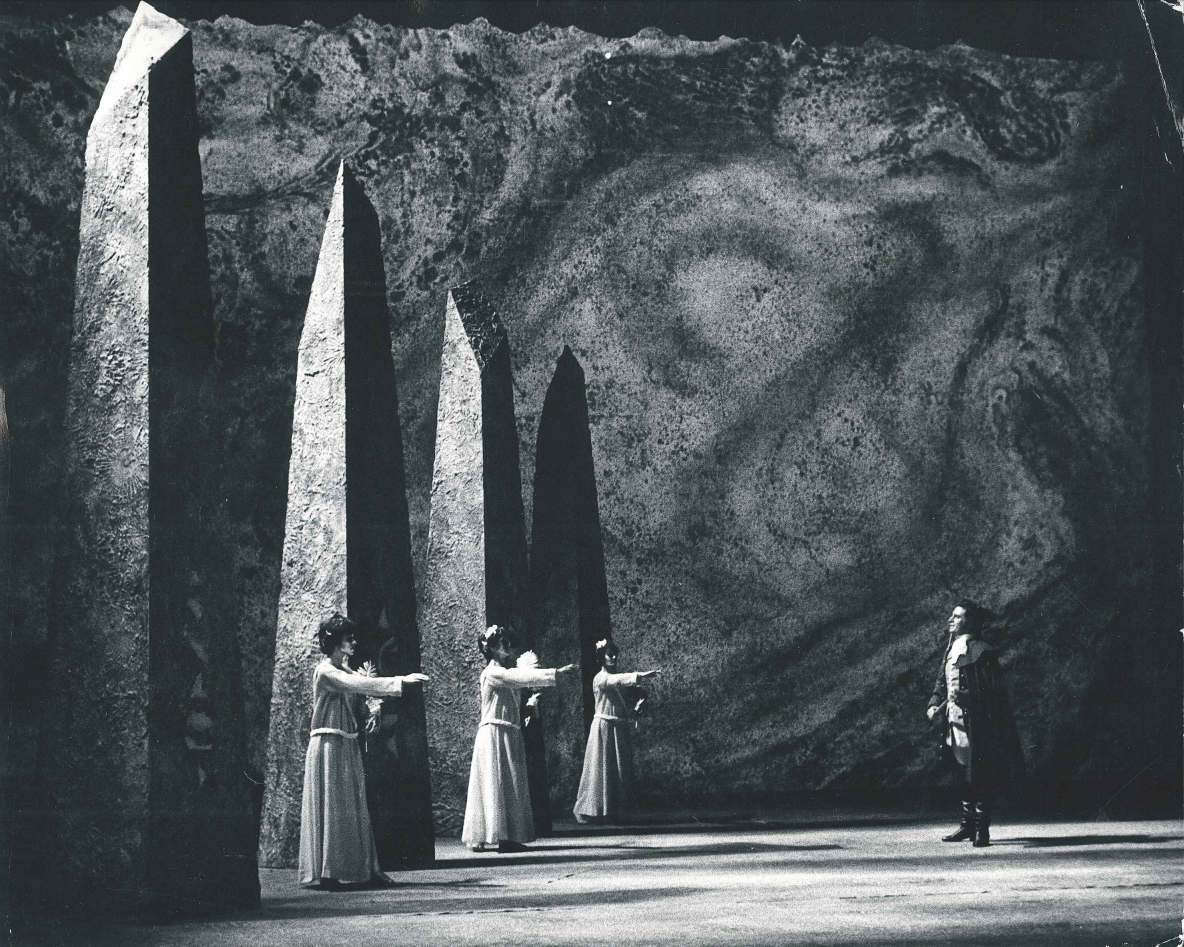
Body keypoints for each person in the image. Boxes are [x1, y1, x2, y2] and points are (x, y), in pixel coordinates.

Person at [298, 613, 428, 888]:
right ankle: (329, 871)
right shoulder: (326, 671)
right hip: (329, 743)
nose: (353, 643)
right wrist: (401, 682)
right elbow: (359, 685)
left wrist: (369, 712)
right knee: (333, 804)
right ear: (334, 642)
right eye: (348, 639)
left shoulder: (344, 671)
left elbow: (356, 696)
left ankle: (358, 868)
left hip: (345, 742)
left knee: (351, 803)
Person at [462, 625, 577, 852]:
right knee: (495, 783)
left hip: (508, 732)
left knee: (509, 782)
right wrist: (555, 673)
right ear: (492, 649)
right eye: (503, 644)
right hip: (495, 733)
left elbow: (515, 689)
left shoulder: (505, 674)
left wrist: (529, 705)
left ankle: (508, 836)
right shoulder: (493, 673)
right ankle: (496, 836)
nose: (509, 648)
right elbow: (516, 677)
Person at [926, 600, 1024, 847]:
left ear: (969, 621)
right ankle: (967, 825)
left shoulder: (982, 650)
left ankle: (982, 829)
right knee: (963, 773)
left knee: (980, 773)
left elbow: (993, 691)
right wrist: (933, 703)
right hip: (954, 723)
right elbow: (942, 681)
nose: (951, 620)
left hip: (978, 724)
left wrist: (968, 697)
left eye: (956, 617)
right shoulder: (952, 648)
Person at [573, 638, 661, 824]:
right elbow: (614, 680)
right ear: (601, 658)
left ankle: (614, 808)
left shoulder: (614, 680)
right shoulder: (600, 678)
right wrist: (640, 675)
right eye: (609, 655)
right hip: (603, 727)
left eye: (614, 654)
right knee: (599, 766)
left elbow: (624, 693)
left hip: (618, 726)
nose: (613, 657)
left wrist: (638, 703)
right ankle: (591, 809)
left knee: (618, 767)